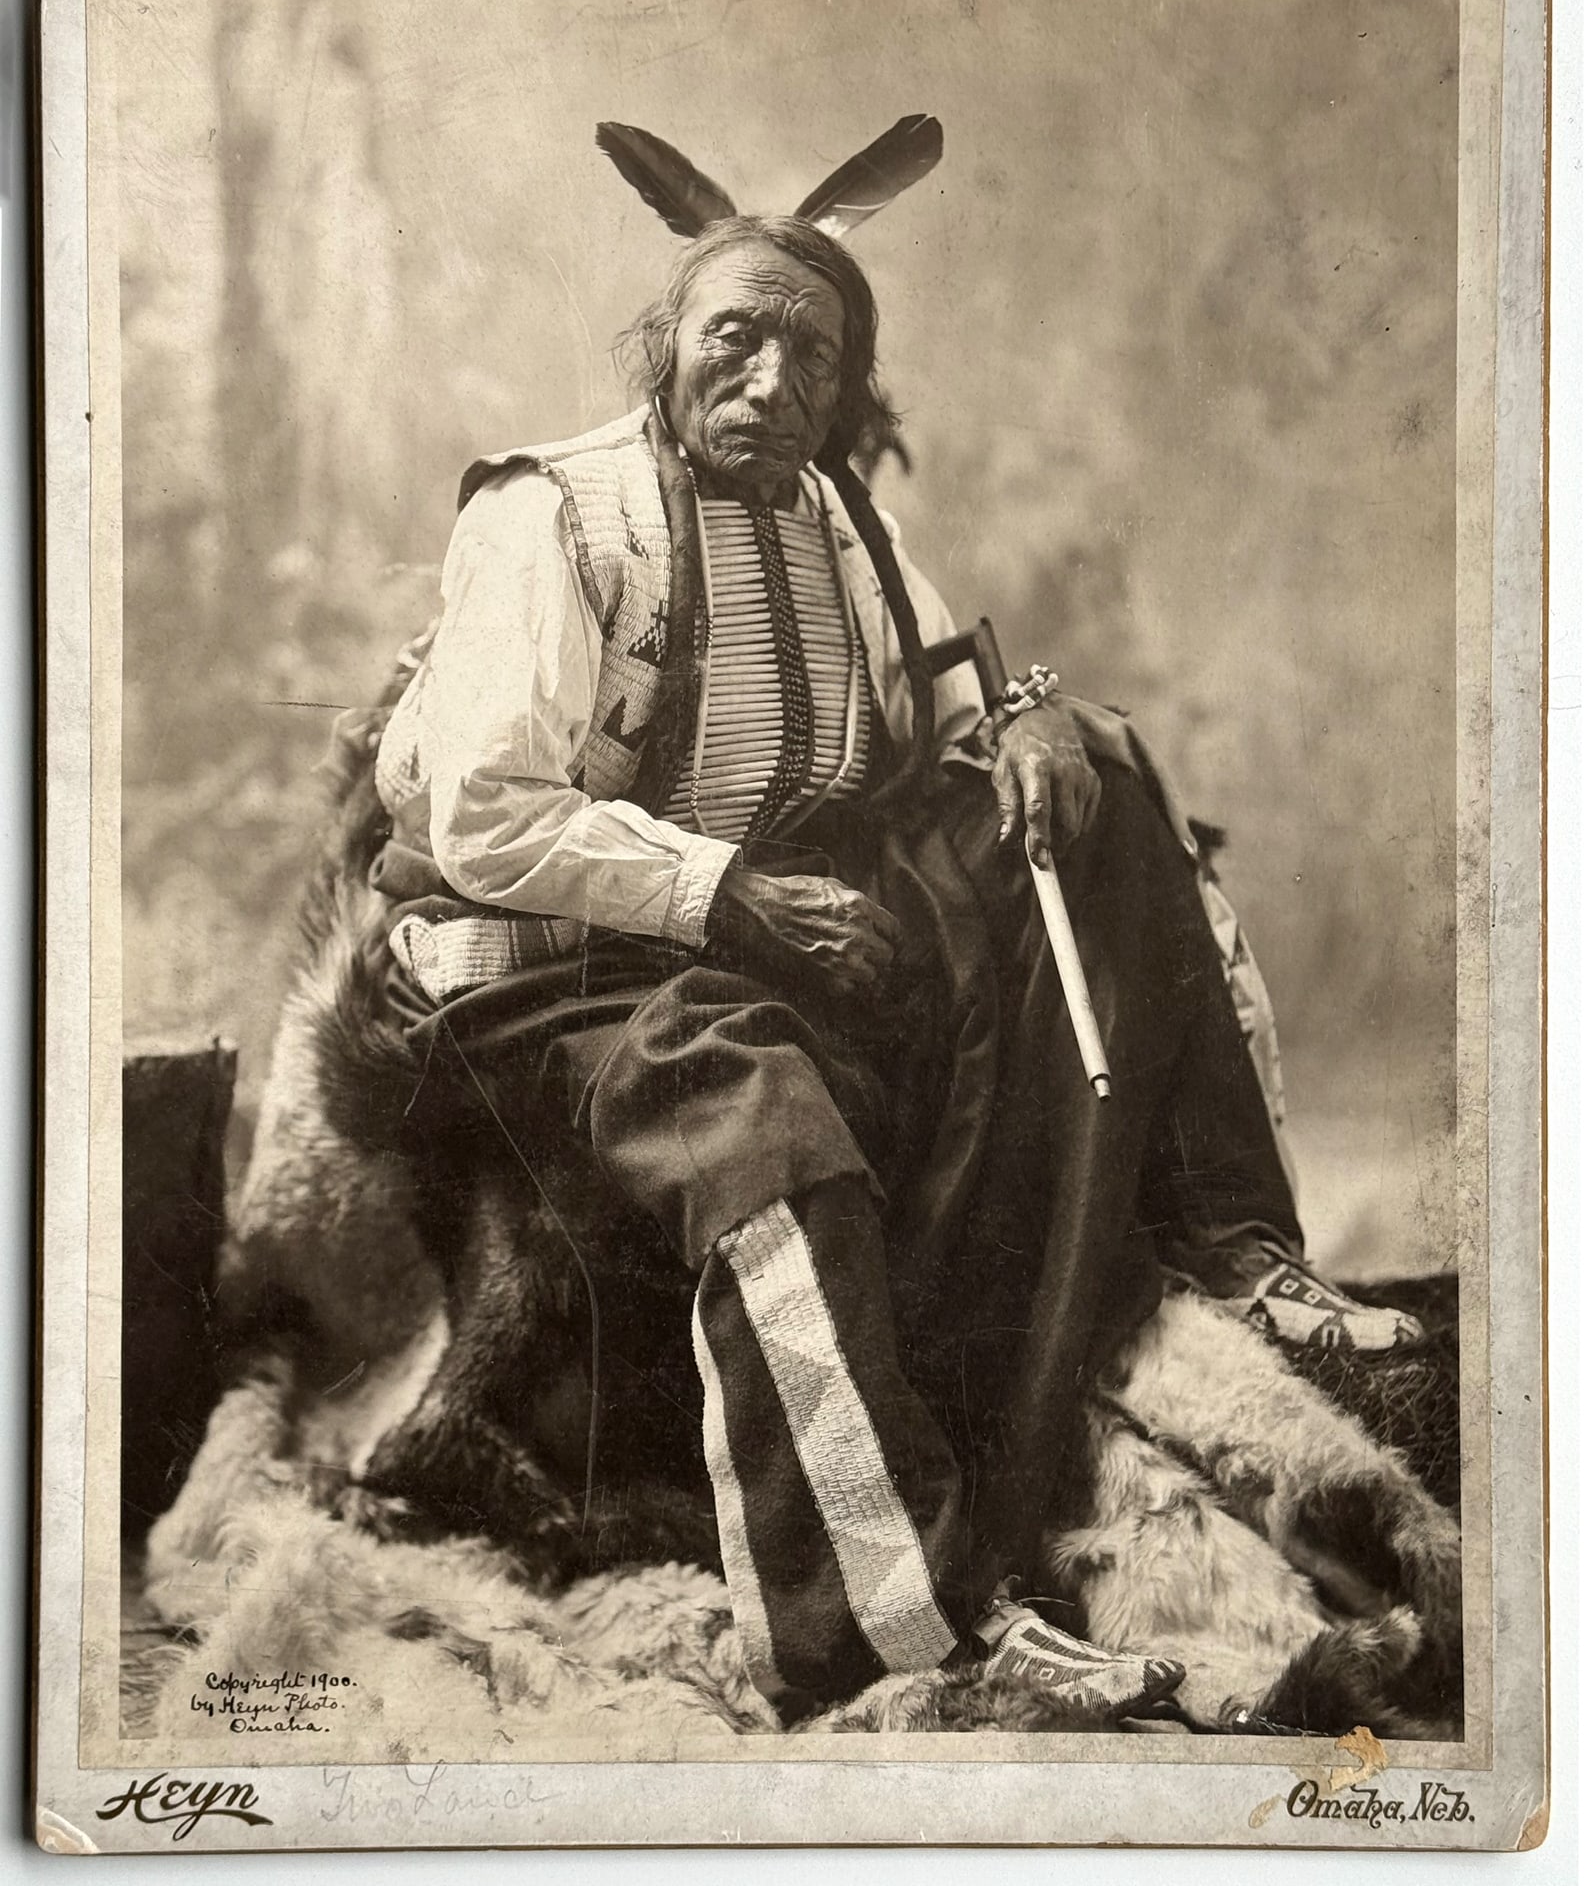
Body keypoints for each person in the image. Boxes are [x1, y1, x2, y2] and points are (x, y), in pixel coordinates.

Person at [365, 123, 1422, 1726]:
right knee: (759, 1113)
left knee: (1099, 783)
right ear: (668, 345)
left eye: (813, 352)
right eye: (739, 334)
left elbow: (946, 711)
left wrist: (1040, 726)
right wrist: (728, 896)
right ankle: (903, 1634)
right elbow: (483, 819)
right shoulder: (555, 517)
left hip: (766, 936)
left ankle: (1235, 1242)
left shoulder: (837, 521)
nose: (774, 379)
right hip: (554, 970)